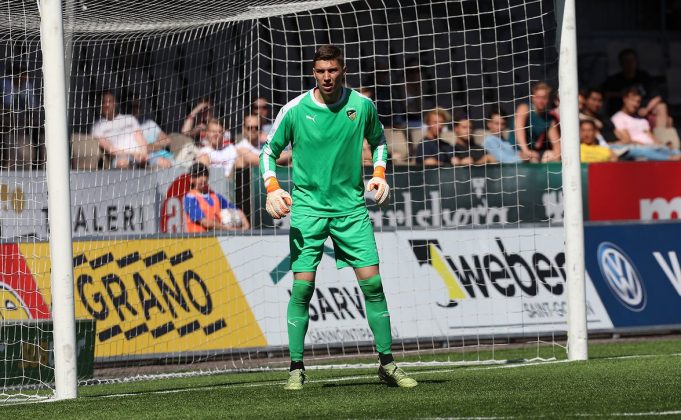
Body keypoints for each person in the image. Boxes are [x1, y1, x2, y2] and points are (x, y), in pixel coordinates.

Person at [259, 44, 417, 390]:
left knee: (373, 285)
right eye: (321, 71)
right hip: (307, 210)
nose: (327, 77)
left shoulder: (362, 105)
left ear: (342, 70)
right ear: (313, 73)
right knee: (303, 288)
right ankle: (296, 368)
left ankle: (387, 364)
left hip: (351, 210)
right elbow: (268, 152)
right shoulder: (294, 110)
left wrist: (379, 174)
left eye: (332, 70)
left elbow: (379, 142)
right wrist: (272, 188)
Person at [602, 48, 671, 128]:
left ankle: (660, 135)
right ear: (621, 63)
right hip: (622, 111)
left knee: (665, 113)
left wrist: (646, 109)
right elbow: (601, 93)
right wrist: (620, 94)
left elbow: (657, 97)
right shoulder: (614, 80)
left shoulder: (643, 76)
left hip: (643, 110)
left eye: (632, 61)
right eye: (626, 61)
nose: (629, 64)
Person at [610, 87, 681, 161]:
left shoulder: (642, 120)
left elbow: (651, 137)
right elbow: (627, 140)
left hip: (653, 148)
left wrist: (662, 145)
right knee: (643, 151)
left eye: (638, 102)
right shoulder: (618, 118)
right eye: (632, 100)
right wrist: (647, 145)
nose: (635, 104)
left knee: (676, 151)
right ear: (625, 99)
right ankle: (669, 159)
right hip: (638, 149)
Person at [183, 162, 250, 232]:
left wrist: (246, 225)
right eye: (197, 176)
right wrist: (229, 229)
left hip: (217, 237)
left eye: (204, 175)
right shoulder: (190, 198)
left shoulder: (215, 195)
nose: (202, 178)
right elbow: (206, 223)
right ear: (191, 179)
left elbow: (236, 210)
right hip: (198, 237)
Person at [91, 91, 148, 169]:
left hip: (140, 155)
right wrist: (132, 154)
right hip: (121, 156)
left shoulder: (130, 119)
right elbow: (109, 148)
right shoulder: (98, 126)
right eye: (103, 102)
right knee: (122, 163)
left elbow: (141, 139)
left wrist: (144, 155)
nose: (106, 104)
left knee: (161, 161)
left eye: (109, 101)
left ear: (115, 103)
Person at [507, 82, 561, 162]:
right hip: (513, 149)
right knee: (533, 159)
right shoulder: (524, 108)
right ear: (532, 98)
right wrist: (526, 151)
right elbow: (519, 129)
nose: (541, 101)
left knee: (550, 155)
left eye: (544, 98)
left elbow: (556, 144)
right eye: (538, 97)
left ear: (548, 99)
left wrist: (556, 156)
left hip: (533, 152)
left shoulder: (549, 119)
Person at [130, 100, 173, 169]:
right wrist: (156, 147)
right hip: (139, 158)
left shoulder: (149, 123)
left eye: (138, 107)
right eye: (132, 107)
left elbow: (167, 140)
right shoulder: (125, 126)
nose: (135, 110)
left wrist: (150, 146)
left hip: (160, 155)